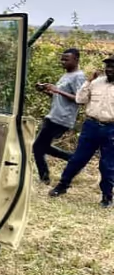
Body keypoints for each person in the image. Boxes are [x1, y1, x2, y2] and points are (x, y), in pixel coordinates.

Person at [49, 56, 114, 208]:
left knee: (107, 165)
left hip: (111, 129)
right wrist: (88, 81)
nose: (109, 69)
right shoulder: (96, 83)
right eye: (108, 66)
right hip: (91, 126)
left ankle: (107, 197)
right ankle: (62, 186)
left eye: (112, 67)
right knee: (78, 159)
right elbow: (80, 99)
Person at [32, 48, 87, 183]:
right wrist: (46, 90)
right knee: (41, 146)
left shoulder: (78, 76)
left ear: (76, 60)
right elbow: (59, 96)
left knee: (38, 147)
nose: (62, 62)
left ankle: (45, 178)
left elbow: (79, 99)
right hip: (54, 115)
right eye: (62, 59)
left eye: (66, 59)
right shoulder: (66, 75)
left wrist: (57, 90)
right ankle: (73, 160)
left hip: (62, 118)